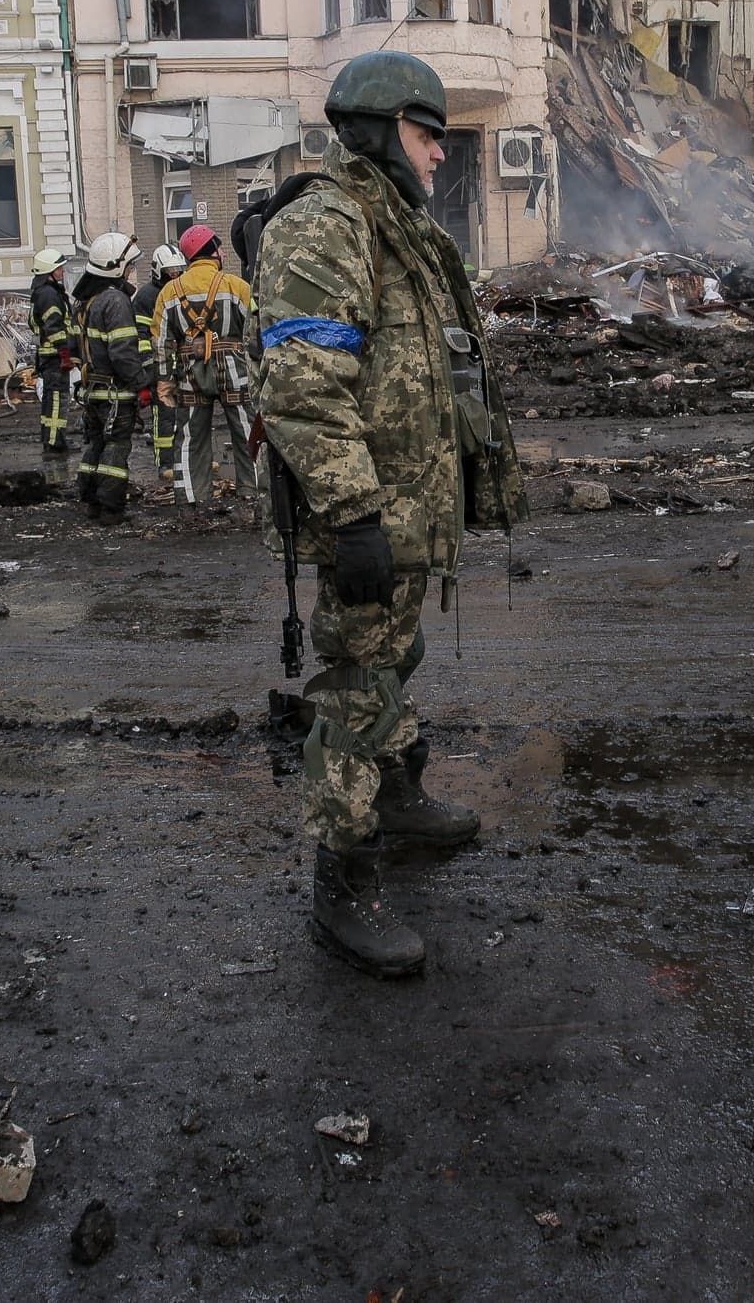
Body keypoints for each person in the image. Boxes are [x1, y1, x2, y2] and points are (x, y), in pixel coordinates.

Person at [252, 51, 525, 977]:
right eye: (427, 134)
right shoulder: (328, 226)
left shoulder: (392, 225)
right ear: (374, 132)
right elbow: (300, 390)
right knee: (357, 684)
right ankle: (344, 876)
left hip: (406, 511)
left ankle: (398, 796)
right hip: (365, 512)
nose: (441, 157)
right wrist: (355, 513)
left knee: (393, 658)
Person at [157, 223, 259, 508]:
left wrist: (164, 381)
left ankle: (191, 498)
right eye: (220, 247)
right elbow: (255, 330)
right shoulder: (236, 287)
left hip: (191, 374)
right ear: (211, 252)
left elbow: (162, 341)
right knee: (246, 431)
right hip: (234, 371)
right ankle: (252, 493)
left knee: (190, 437)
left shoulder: (169, 292)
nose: (224, 252)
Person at [70, 232, 148, 523]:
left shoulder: (88, 301)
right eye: (129, 266)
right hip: (115, 393)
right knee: (116, 448)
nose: (130, 271)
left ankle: (91, 502)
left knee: (95, 445)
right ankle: (111, 509)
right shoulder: (115, 300)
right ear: (116, 266)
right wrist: (141, 384)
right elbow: (123, 353)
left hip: (93, 391)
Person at [135, 243, 183, 476]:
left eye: (178, 271)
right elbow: (141, 335)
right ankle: (165, 463)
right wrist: (148, 369)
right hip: (160, 366)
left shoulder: (180, 290)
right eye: (170, 272)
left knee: (185, 416)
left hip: (182, 364)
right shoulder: (146, 296)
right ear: (158, 271)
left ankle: (184, 461)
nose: (175, 275)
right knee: (164, 415)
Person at [28, 248, 73, 462]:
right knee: (57, 399)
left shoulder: (43, 292)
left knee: (49, 400)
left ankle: (50, 438)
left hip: (48, 357)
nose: (62, 271)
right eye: (59, 268)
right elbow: (54, 326)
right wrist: (65, 353)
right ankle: (55, 443)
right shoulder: (49, 294)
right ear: (49, 271)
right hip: (55, 358)